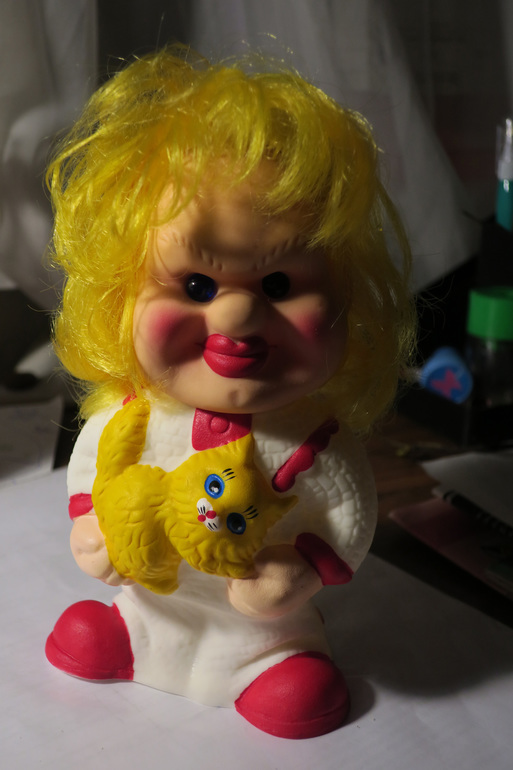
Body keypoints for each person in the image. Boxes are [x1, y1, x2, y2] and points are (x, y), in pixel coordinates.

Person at [44, 47, 415, 739]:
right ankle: (131, 640)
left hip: (258, 630)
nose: (237, 315)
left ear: (348, 299)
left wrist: (301, 570)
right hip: (152, 602)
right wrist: (91, 525)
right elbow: (93, 467)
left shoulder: (311, 442)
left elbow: (346, 515)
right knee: (96, 632)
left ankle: (273, 668)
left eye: (278, 284)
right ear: (119, 295)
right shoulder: (137, 415)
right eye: (196, 285)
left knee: (291, 688)